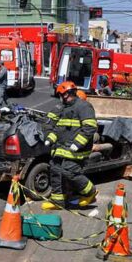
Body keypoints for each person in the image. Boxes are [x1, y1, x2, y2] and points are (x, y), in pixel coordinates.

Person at [43, 81, 98, 210]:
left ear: (67, 94)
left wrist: (77, 144)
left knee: (69, 171)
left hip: (77, 149)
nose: (60, 98)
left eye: (61, 95)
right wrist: (50, 138)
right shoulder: (64, 108)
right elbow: (58, 128)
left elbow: (89, 128)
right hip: (62, 146)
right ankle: (58, 202)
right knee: (55, 169)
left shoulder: (84, 106)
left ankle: (90, 192)